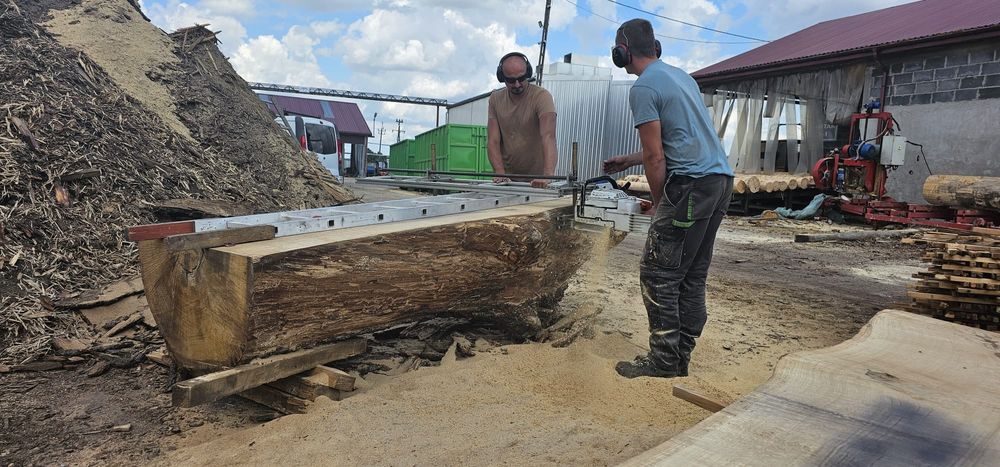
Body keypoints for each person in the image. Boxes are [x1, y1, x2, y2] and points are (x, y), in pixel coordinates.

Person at [604, 19, 734, 379]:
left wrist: (660, 202)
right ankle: (680, 359)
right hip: (719, 182)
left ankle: (663, 361)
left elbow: (657, 157)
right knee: (691, 275)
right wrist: (628, 160)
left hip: (689, 186)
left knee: (658, 273)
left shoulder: (643, 88)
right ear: (655, 47)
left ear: (622, 52)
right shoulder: (681, 77)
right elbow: (677, 140)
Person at [487, 52, 557, 188]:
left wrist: (548, 176)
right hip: (508, 180)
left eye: (522, 78)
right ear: (502, 78)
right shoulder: (495, 99)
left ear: (528, 73)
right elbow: (493, 141)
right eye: (511, 80)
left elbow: (549, 136)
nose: (518, 84)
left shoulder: (542, 97)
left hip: (538, 180)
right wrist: (500, 172)